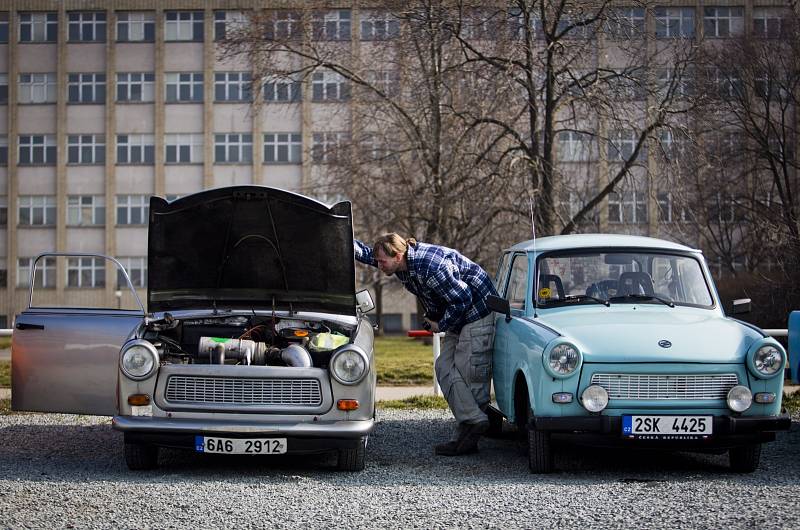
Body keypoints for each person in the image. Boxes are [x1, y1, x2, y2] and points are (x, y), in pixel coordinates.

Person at [354, 233, 498, 456]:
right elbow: (367, 255)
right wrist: (342, 240)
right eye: (379, 261)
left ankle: (468, 438)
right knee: (443, 366)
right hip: (458, 315)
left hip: (477, 312)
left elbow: (463, 297)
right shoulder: (400, 263)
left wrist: (440, 324)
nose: (379, 265)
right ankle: (475, 420)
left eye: (382, 261)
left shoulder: (430, 267)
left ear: (399, 255)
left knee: (469, 372)